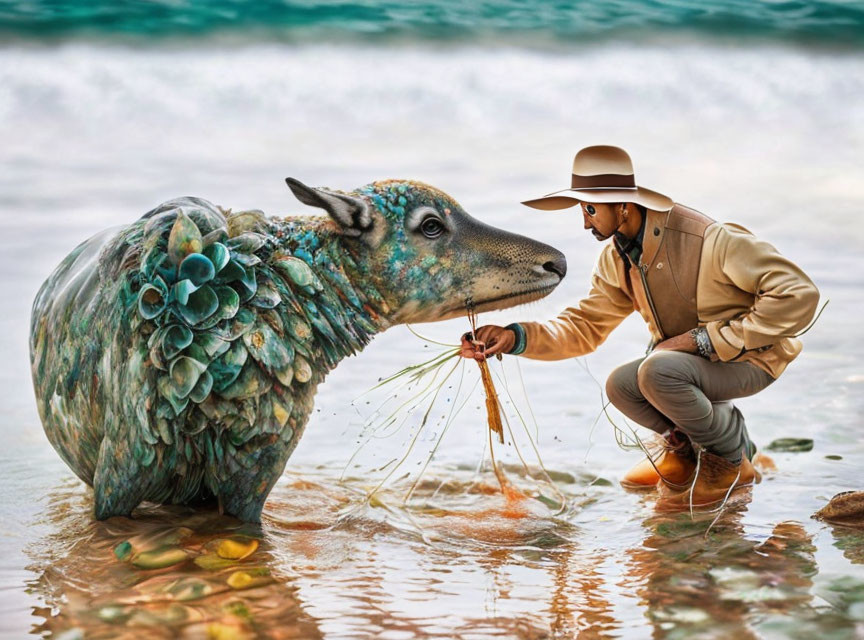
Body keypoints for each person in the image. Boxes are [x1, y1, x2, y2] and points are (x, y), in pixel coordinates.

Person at [460, 145, 820, 508]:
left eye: (589, 209)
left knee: (657, 371)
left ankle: (729, 459)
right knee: (621, 385)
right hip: (683, 366)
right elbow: (584, 327)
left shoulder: (710, 240)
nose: (584, 222)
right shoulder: (617, 256)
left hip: (750, 360)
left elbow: (799, 294)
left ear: (623, 205)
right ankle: (685, 453)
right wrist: (512, 337)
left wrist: (706, 339)